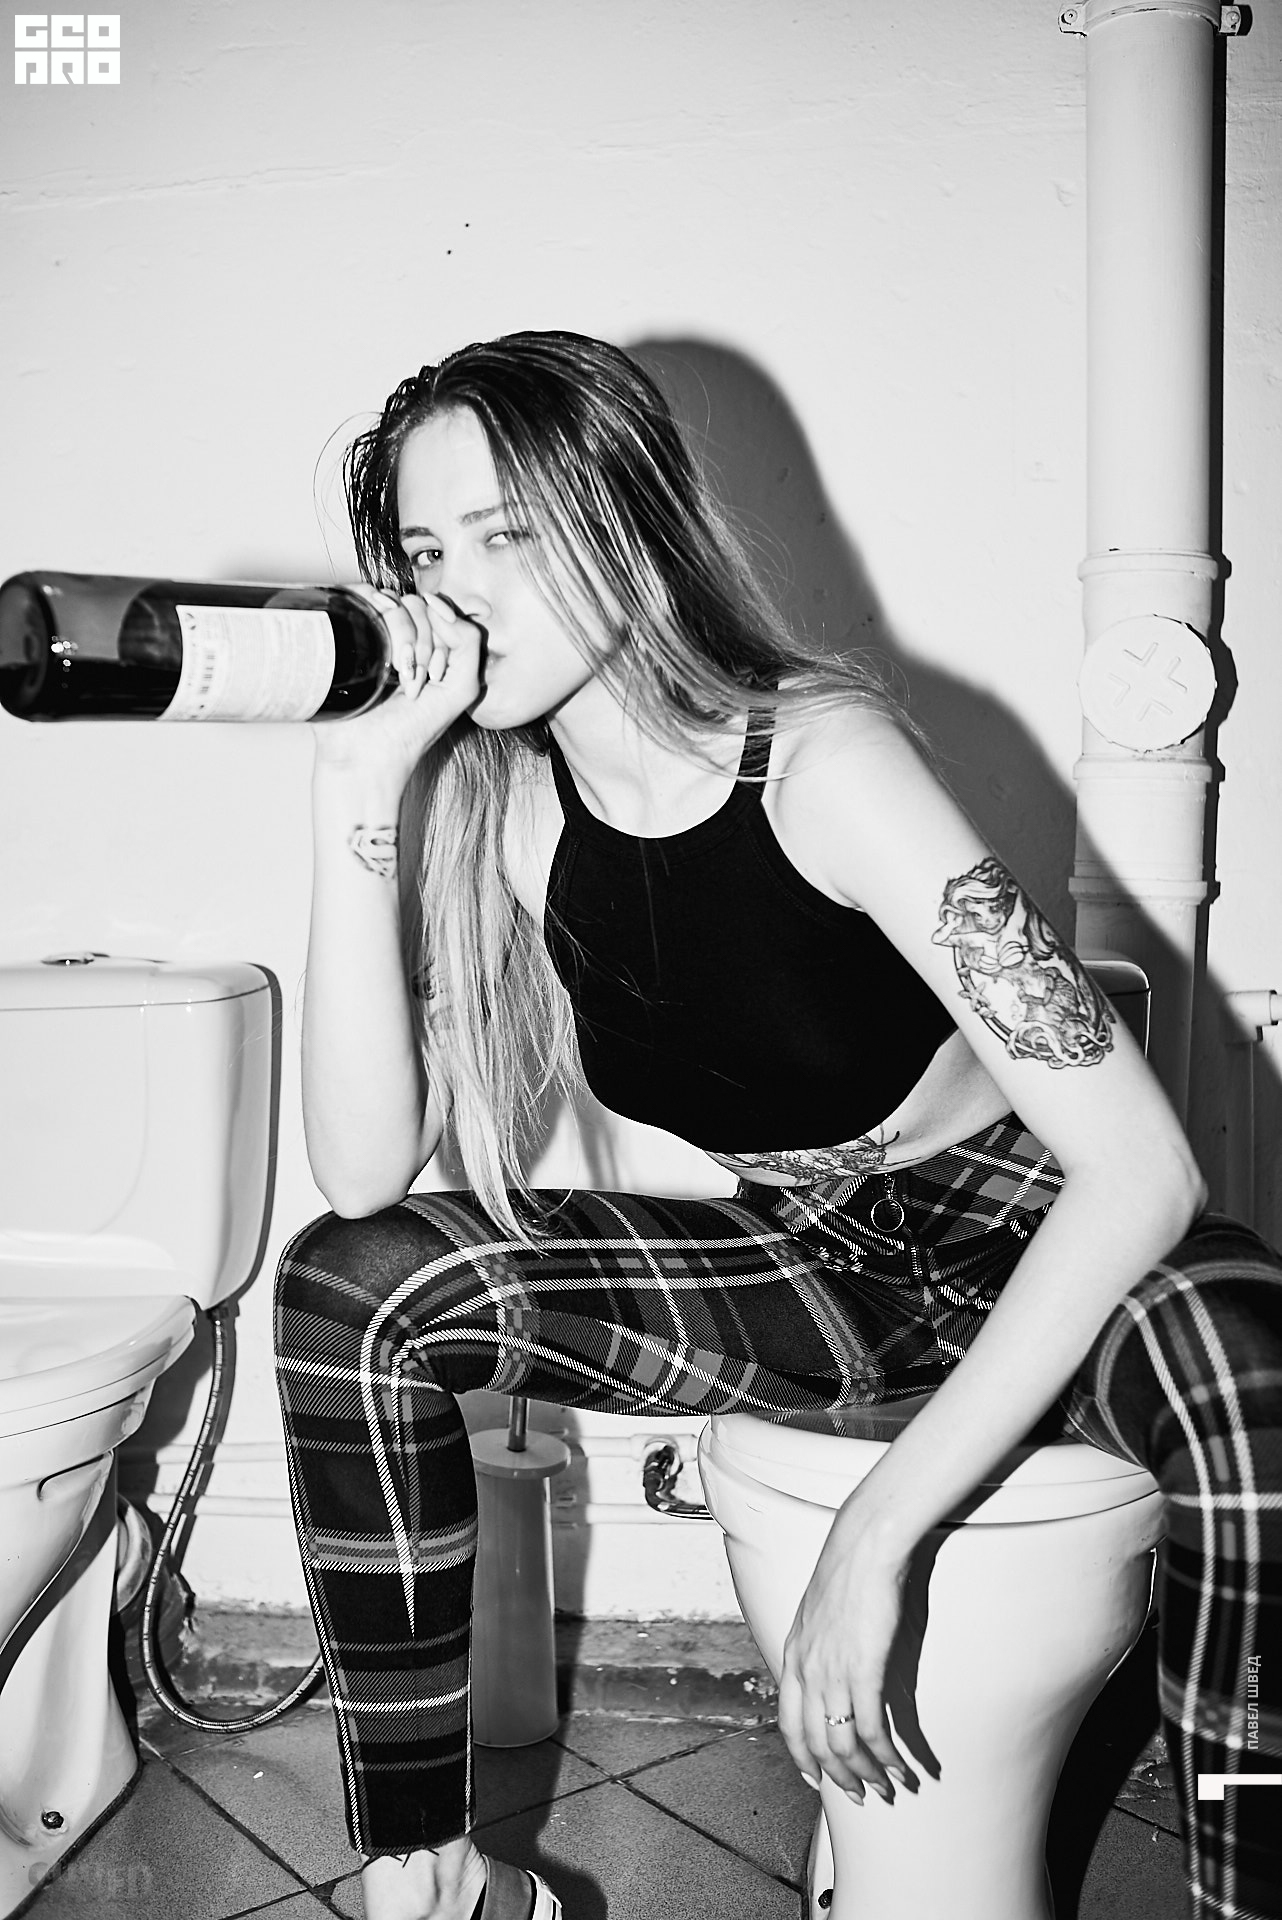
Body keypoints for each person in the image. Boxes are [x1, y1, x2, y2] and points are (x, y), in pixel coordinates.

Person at [274, 330, 1281, 1920]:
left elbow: (1140, 1170)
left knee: (1254, 1381)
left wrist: (876, 1537)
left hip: (1031, 1225)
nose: (457, 592)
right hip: (813, 1263)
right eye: (424, 552)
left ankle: (1250, 1867)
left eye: (505, 534)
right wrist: (354, 789)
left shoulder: (823, 761)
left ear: (626, 525)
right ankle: (436, 1872)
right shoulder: (513, 814)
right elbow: (356, 1175)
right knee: (354, 1288)